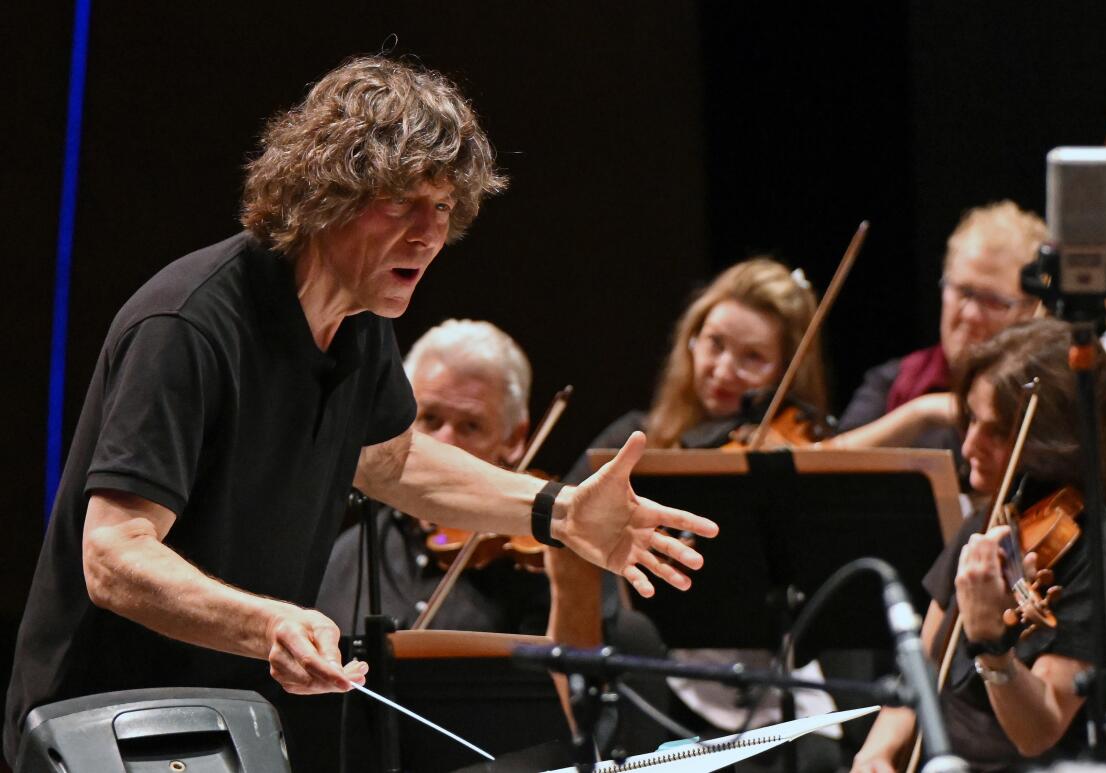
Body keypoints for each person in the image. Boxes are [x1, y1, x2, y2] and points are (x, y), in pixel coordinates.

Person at [3, 56, 718, 764]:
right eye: (403, 202)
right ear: (326, 193)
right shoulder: (187, 327)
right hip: (102, 723)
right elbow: (115, 556)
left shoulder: (359, 323)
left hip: (225, 719)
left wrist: (560, 512)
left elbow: (392, 459)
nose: (429, 234)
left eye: (443, 208)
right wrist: (270, 622)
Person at [559, 257, 843, 772]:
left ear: (787, 371)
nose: (723, 369)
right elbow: (566, 517)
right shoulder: (636, 438)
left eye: (752, 358)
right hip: (657, 686)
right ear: (690, 340)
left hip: (769, 693)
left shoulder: (787, 449)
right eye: (714, 343)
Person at [851, 319, 1106, 772]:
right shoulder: (989, 522)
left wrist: (992, 645)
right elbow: (923, 663)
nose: (969, 445)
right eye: (971, 419)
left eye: (995, 431)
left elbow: (1038, 733)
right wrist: (876, 751)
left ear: (1056, 442)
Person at [317, 318, 549, 636]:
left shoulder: (541, 572)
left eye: (470, 426)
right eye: (430, 419)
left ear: (514, 438)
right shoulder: (343, 559)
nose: (445, 443)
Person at [833, 202, 1045, 458]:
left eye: (993, 300)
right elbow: (823, 462)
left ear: (1032, 309)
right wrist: (920, 413)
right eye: (964, 291)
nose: (970, 314)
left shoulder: (1044, 398)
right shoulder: (895, 381)